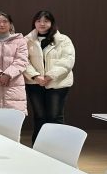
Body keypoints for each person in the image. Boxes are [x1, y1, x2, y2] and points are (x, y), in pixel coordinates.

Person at [23, 11, 75, 142]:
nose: (42, 24)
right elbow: (23, 61)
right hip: (35, 83)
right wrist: (36, 76)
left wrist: (49, 76)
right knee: (39, 117)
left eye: (46, 21)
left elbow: (67, 61)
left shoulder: (63, 40)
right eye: (39, 21)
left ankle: (57, 148)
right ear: (34, 22)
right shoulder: (26, 40)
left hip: (58, 84)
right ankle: (37, 148)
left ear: (51, 23)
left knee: (54, 116)